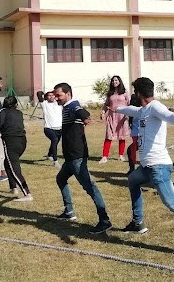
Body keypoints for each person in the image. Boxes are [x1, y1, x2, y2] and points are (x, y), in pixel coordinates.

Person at [115, 77, 174, 265]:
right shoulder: (143, 110)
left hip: (158, 167)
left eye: (135, 92)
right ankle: (138, 222)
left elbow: (168, 115)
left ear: (139, 94)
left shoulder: (156, 107)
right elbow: (131, 109)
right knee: (133, 180)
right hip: (146, 167)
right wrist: (115, 109)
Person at [53, 82, 112, 234]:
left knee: (90, 187)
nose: (56, 98)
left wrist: (86, 117)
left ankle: (104, 220)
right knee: (60, 179)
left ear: (68, 94)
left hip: (76, 156)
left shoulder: (73, 106)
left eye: (58, 95)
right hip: (70, 157)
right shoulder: (66, 107)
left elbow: (81, 111)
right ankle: (69, 211)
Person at [0, 95, 33, 201]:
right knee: (7, 163)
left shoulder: (3, 112)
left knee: (14, 169)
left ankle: (27, 194)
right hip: (22, 142)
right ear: (16, 104)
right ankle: (13, 188)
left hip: (11, 142)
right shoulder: (19, 113)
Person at [100, 75, 130, 163]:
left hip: (122, 117)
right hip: (112, 116)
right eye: (113, 81)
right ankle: (104, 156)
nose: (114, 82)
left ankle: (121, 155)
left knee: (122, 136)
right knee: (108, 136)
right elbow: (106, 104)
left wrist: (128, 114)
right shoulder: (110, 93)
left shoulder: (125, 93)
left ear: (119, 81)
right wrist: (103, 112)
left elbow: (129, 104)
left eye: (116, 80)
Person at [42, 90, 63, 168]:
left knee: (56, 142)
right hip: (49, 128)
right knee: (54, 140)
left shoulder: (59, 104)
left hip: (59, 128)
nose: (51, 97)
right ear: (46, 97)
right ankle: (55, 161)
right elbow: (38, 93)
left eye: (52, 95)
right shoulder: (44, 104)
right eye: (49, 95)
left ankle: (49, 155)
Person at [125, 94, 141, 174]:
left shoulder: (139, 111)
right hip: (136, 136)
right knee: (130, 151)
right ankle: (132, 169)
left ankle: (133, 170)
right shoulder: (133, 112)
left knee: (131, 151)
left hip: (139, 137)